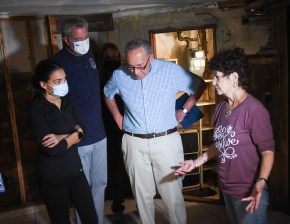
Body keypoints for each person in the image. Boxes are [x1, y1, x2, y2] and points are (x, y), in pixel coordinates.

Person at [104, 38, 207, 224]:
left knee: (173, 195)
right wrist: (117, 116)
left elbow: (199, 84)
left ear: (151, 58)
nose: (135, 72)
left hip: (166, 141)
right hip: (133, 142)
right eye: (130, 66)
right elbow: (107, 93)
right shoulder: (120, 74)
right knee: (142, 195)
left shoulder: (170, 71)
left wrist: (184, 110)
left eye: (140, 66)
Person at [175, 47, 275, 224]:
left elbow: (267, 151)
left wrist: (261, 182)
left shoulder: (254, 110)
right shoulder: (221, 108)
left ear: (234, 78)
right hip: (227, 189)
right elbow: (220, 144)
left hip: (249, 192)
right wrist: (196, 162)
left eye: (217, 77)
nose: (213, 82)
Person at [51, 17, 107, 224]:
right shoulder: (58, 64)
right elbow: (54, 103)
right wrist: (67, 132)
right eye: (78, 39)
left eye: (86, 37)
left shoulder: (90, 55)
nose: (84, 42)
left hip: (99, 134)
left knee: (100, 183)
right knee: (82, 188)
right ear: (66, 40)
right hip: (79, 137)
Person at [29, 59, 98, 224]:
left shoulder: (68, 100)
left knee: (91, 218)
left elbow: (85, 131)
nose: (63, 84)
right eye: (57, 81)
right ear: (44, 85)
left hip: (75, 170)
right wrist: (75, 134)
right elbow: (52, 149)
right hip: (52, 177)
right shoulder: (36, 109)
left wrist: (61, 136)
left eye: (64, 79)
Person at [98, 42, 130, 215]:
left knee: (126, 164)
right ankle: (117, 202)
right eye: (108, 57)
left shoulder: (124, 76)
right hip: (107, 127)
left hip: (126, 126)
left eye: (115, 57)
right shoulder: (99, 78)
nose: (112, 60)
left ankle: (123, 198)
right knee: (113, 165)